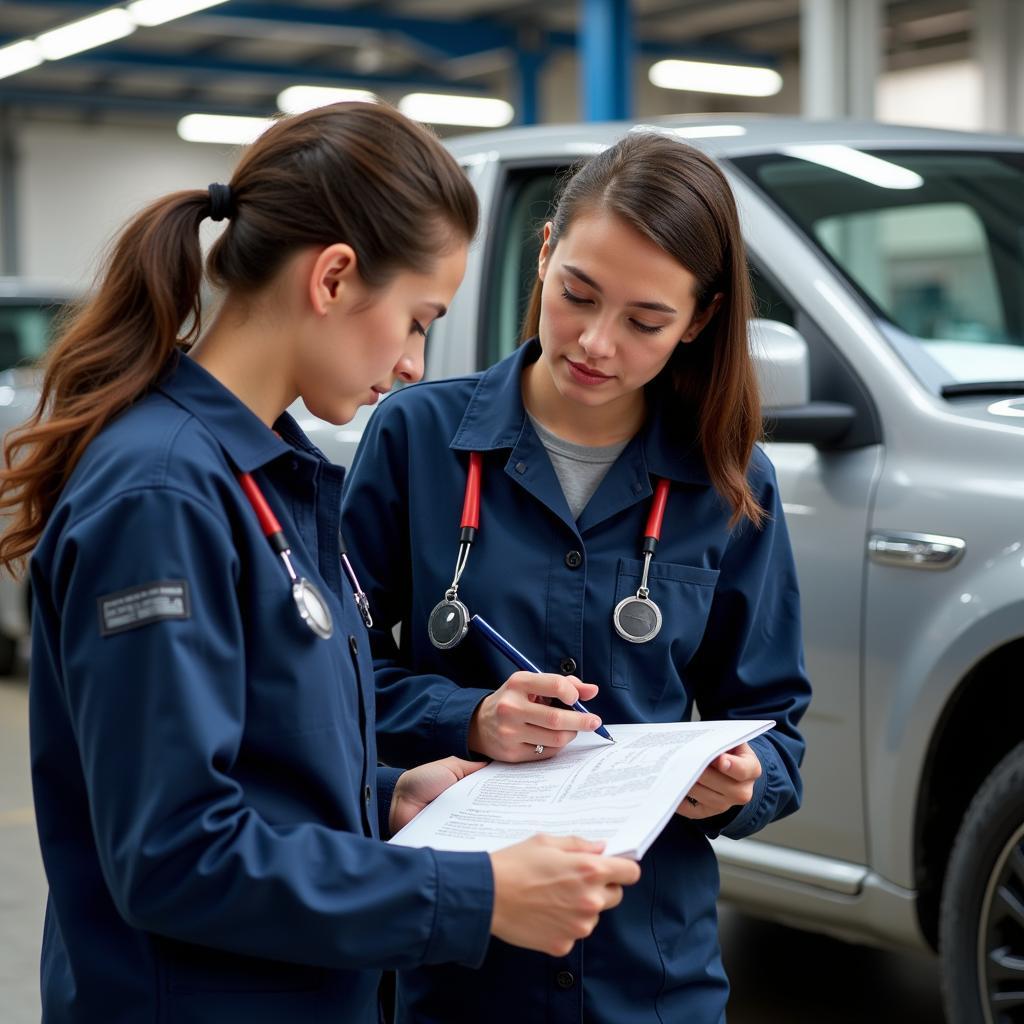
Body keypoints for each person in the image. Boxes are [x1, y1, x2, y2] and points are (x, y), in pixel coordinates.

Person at [0, 102, 641, 1024]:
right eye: (418, 319)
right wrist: (476, 896)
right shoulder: (164, 496)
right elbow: (175, 851)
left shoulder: (272, 474)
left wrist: (382, 794)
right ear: (335, 277)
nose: (418, 363)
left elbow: (255, 760)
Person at [340, 130, 812, 1024]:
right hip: (458, 961)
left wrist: (745, 781)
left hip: (652, 976)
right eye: (578, 296)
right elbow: (332, 683)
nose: (596, 343)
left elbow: (778, 721)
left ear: (701, 320)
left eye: (646, 322)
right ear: (546, 251)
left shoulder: (730, 481)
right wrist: (469, 716)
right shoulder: (414, 442)